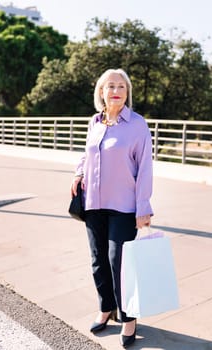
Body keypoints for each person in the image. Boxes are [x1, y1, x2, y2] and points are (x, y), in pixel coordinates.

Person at [71, 68, 153, 348]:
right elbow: (87, 153)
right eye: (110, 86)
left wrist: (143, 205)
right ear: (101, 92)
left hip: (124, 206)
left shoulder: (138, 125)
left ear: (127, 92)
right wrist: (78, 173)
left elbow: (145, 168)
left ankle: (129, 317)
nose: (116, 90)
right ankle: (107, 307)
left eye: (121, 86)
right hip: (93, 203)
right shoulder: (95, 122)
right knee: (98, 261)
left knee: (120, 263)